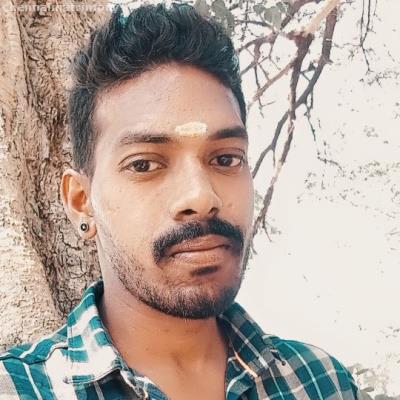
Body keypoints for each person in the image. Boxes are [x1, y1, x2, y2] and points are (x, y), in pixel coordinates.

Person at [0, 3, 359, 399]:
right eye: (144, 164)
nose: (201, 196)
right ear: (81, 201)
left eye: (226, 159)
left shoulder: (320, 382)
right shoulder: (17, 389)